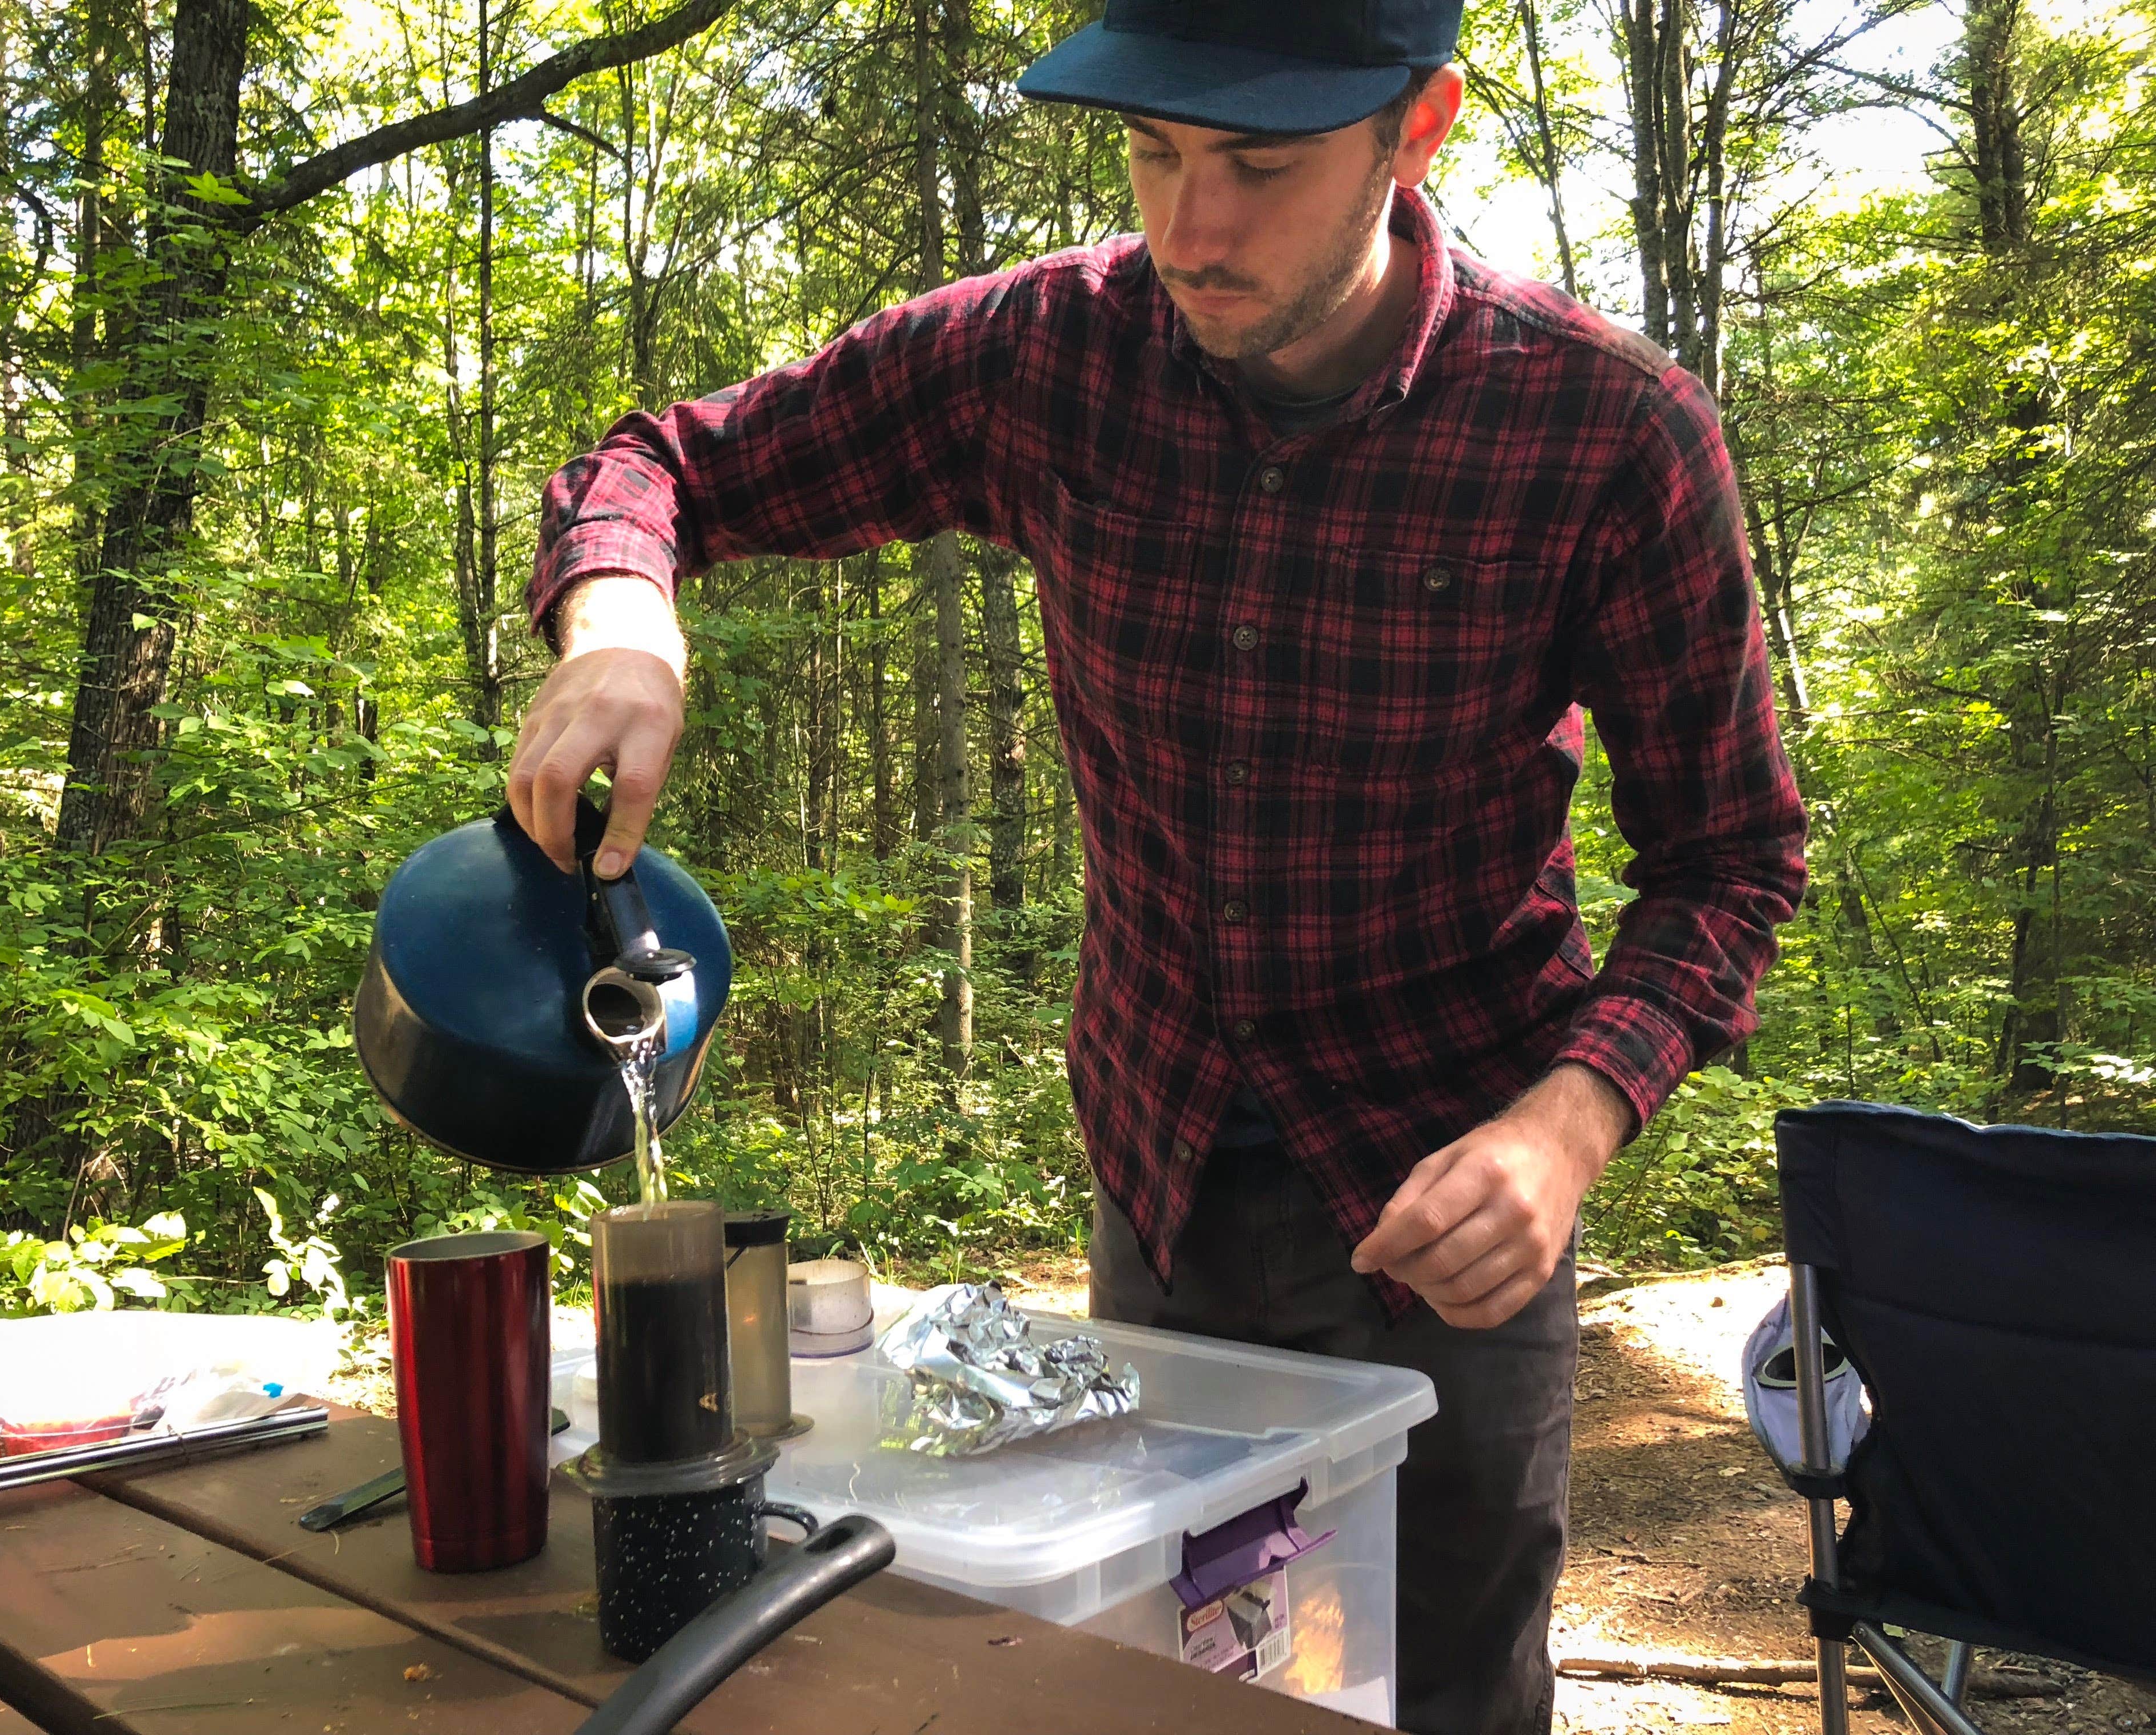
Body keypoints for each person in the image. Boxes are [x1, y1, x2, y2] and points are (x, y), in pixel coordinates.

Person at [509, 1, 1808, 1729]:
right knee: (1171, 1683)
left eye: (1258, 167)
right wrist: (622, 626)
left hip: (1450, 1211)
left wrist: (1565, 1130)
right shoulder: (1048, 353)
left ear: (1417, 129)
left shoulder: (1602, 430)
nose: (1190, 229)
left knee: (1443, 1690)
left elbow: (1729, 858)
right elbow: (663, 462)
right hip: (1163, 1175)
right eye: (1154, 155)